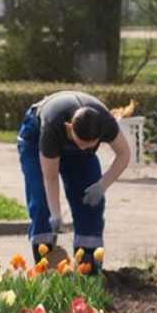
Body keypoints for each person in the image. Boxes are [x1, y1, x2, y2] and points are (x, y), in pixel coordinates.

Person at [17, 90, 132, 271]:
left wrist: (102, 185)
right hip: (35, 137)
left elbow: (124, 154)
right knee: (41, 203)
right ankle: (47, 269)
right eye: (81, 143)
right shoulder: (53, 127)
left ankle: (88, 270)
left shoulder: (105, 123)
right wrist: (55, 215)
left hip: (77, 152)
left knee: (90, 205)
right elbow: (50, 176)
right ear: (69, 127)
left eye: (90, 144)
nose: (84, 148)